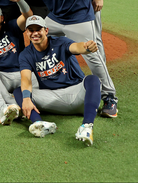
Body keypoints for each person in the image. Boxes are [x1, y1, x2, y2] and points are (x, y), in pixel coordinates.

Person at [15, 0, 118, 117]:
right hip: (55, 17)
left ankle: (109, 96)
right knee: (36, 38)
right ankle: (41, 81)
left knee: (92, 56)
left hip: (79, 16)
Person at [13, 16, 102, 146]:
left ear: (46, 30)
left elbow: (76, 47)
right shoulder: (26, 54)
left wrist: (86, 48)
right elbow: (26, 78)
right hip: (52, 97)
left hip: (77, 95)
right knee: (19, 92)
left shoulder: (60, 42)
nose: (35, 33)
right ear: (27, 33)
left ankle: (87, 126)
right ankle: (39, 123)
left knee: (93, 80)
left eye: (38, 29)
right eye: (31, 30)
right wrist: (26, 99)